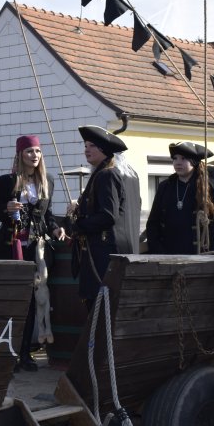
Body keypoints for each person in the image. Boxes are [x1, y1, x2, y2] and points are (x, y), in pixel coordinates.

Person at [0, 135, 64, 371]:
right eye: (29, 151)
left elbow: (47, 215)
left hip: (34, 248)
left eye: (38, 151)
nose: (35, 155)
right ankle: (8, 353)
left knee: (32, 300)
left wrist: (56, 229)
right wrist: (7, 208)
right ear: (20, 155)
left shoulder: (47, 180)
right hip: (10, 246)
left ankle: (24, 354)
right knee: (11, 300)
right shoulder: (6, 181)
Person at [65, 125, 141, 307]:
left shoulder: (106, 174)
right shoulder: (130, 175)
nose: (86, 150)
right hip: (125, 251)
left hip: (104, 254)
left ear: (105, 149)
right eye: (85, 146)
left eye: (92, 145)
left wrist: (78, 225)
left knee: (100, 309)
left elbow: (108, 216)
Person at [145, 141, 214, 255]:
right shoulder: (165, 186)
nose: (178, 162)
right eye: (175, 158)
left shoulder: (211, 185)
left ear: (194, 161)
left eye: (183, 158)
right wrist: (158, 251)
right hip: (168, 255)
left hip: (203, 255)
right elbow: (153, 223)